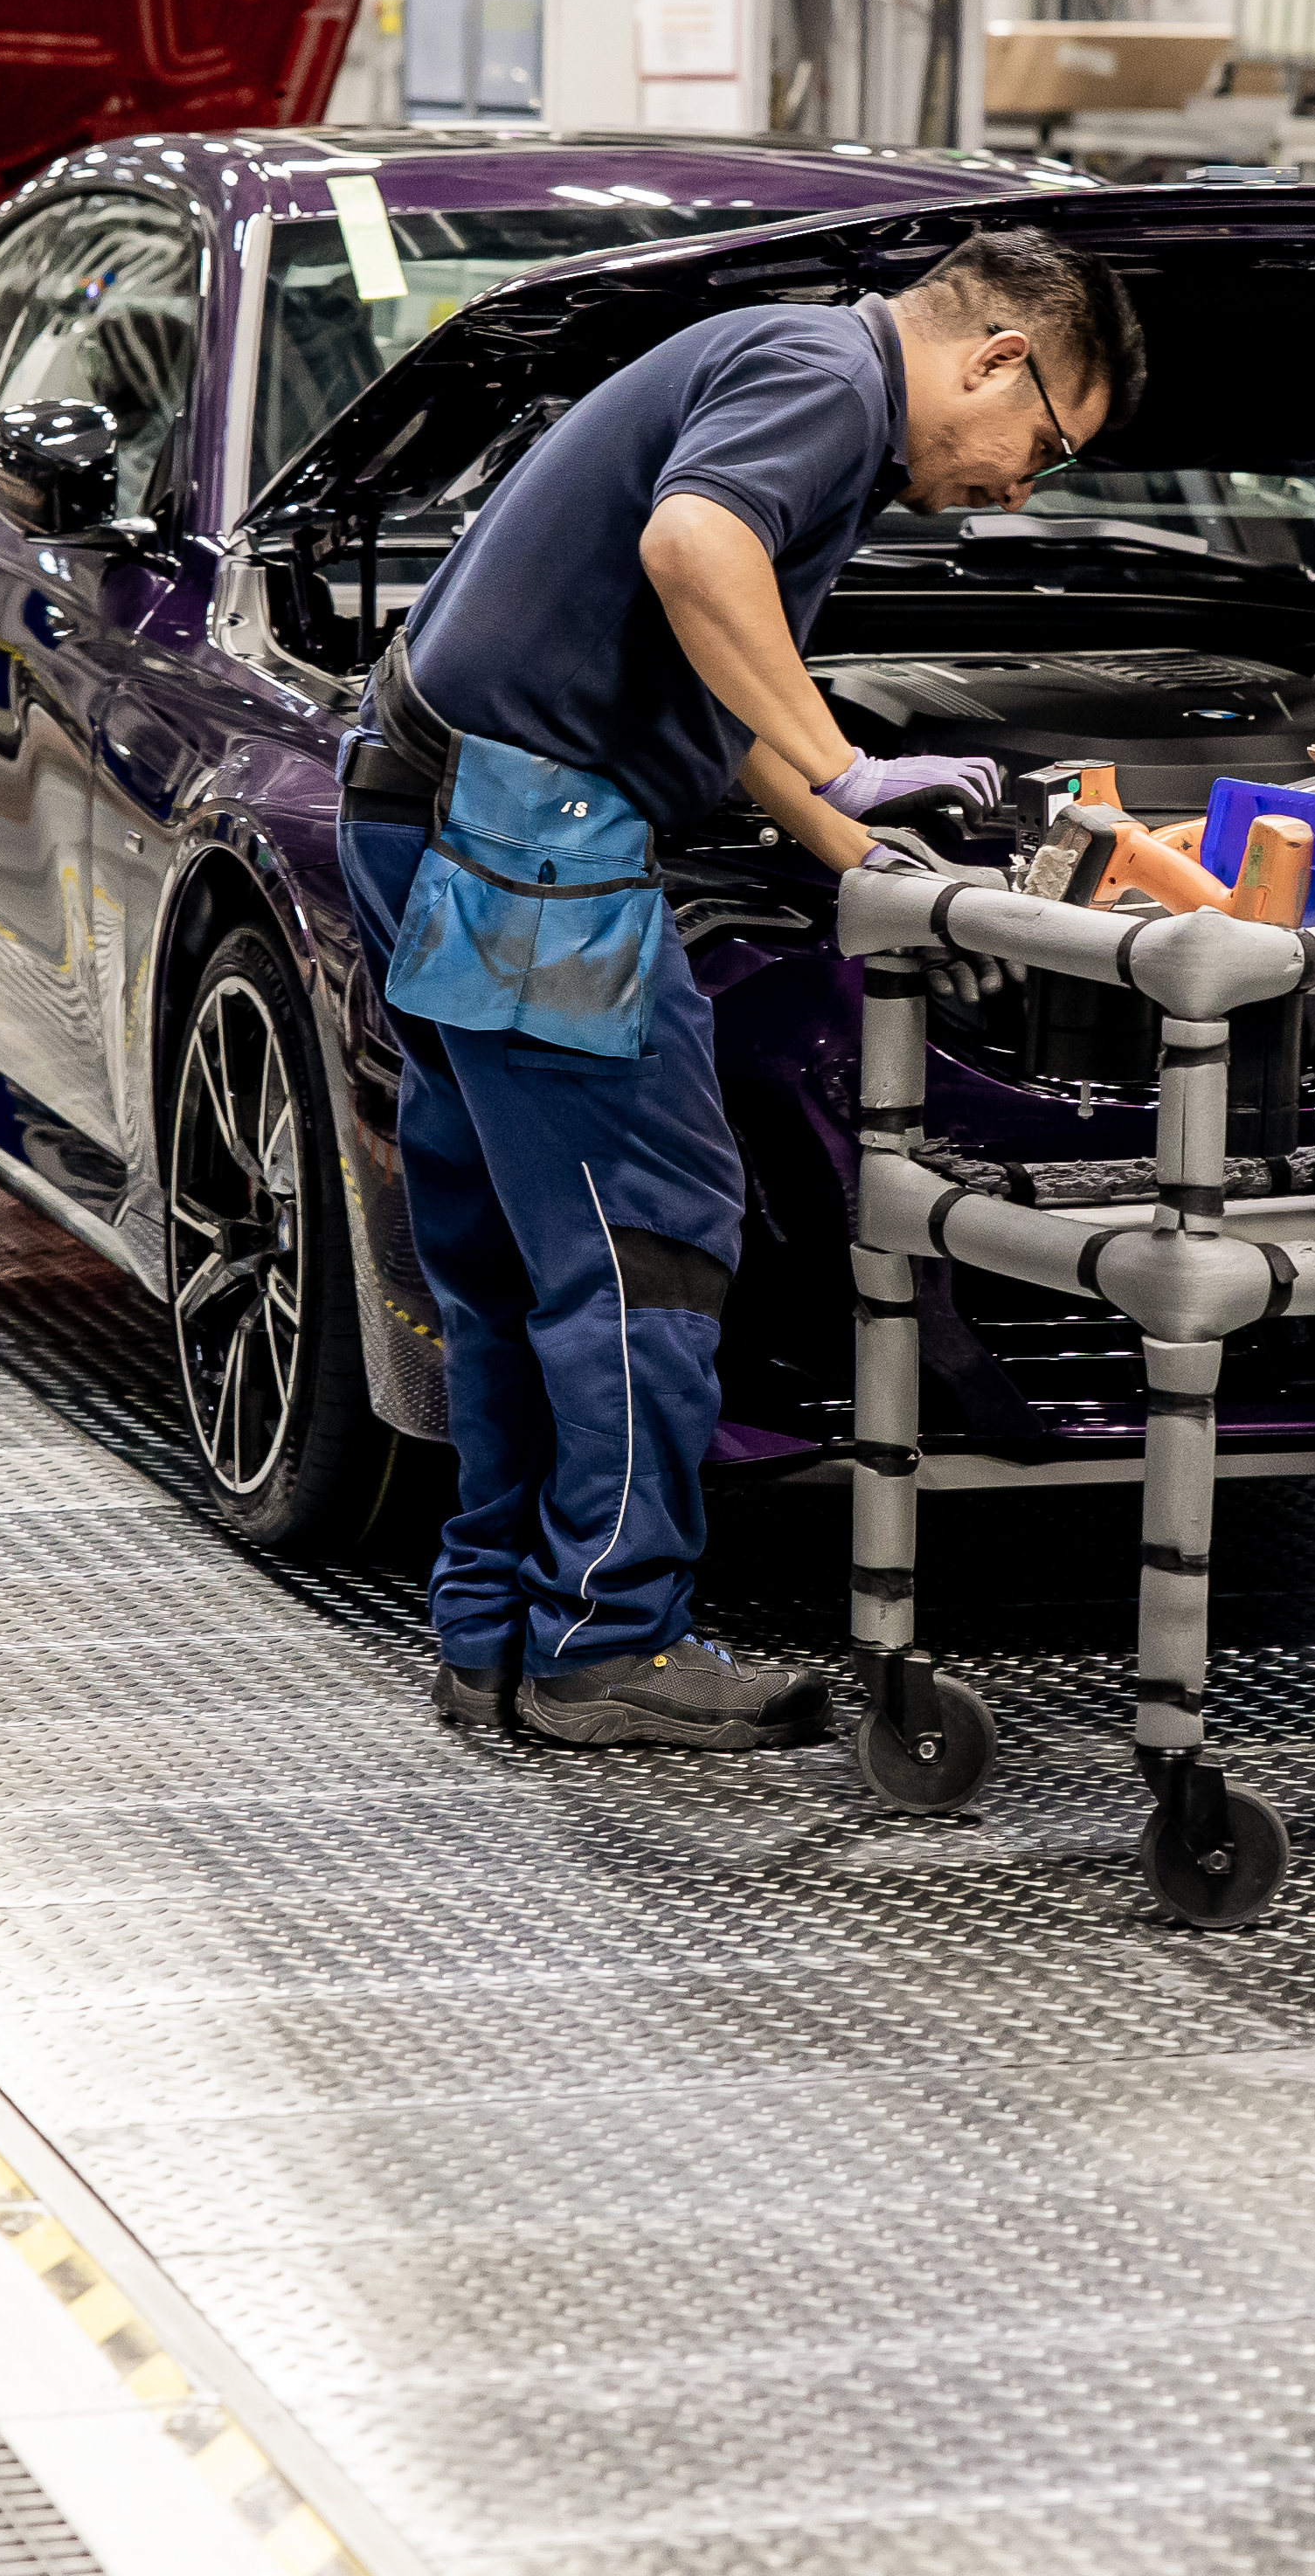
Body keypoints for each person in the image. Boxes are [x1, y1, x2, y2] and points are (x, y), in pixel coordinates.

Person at [342, 227, 1146, 1749]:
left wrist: (866, 850)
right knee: (649, 1236)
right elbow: (691, 551)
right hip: (534, 843)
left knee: (518, 1256)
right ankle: (611, 1640)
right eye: (1039, 445)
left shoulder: (786, 371)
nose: (1016, 491)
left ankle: (495, 1631)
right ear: (992, 354)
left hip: (434, 811)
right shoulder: (825, 377)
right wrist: (852, 755)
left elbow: (717, 689)